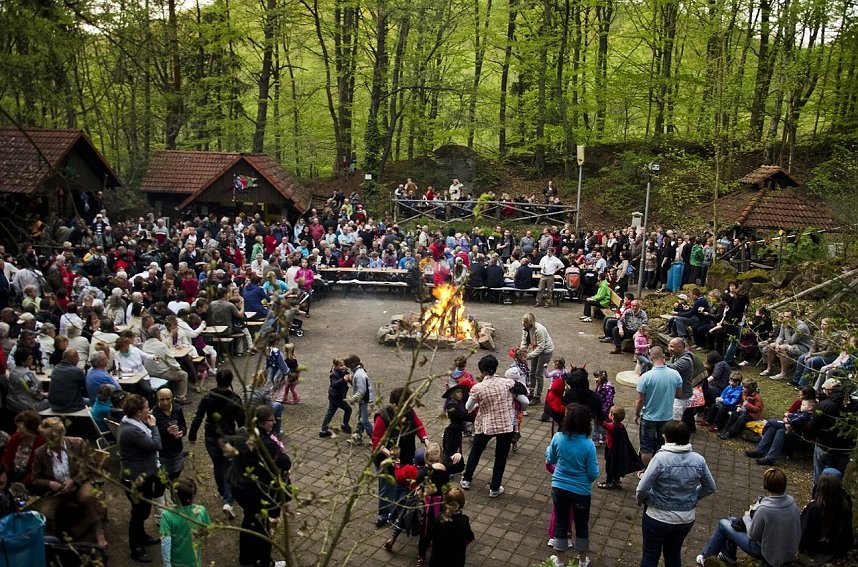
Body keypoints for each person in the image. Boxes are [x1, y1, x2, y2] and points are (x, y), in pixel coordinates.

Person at [636, 421, 715, 567]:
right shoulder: (698, 460)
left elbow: (641, 488)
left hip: (657, 516)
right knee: (673, 554)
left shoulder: (660, 459)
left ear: (666, 437)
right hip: (685, 519)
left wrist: (643, 500)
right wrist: (693, 497)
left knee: (650, 554)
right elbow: (710, 487)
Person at [696, 467, 800, 567]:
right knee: (733, 521)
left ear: (766, 485)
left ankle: (706, 557)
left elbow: (753, 535)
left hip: (768, 554)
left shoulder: (765, 509)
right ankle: (728, 556)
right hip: (787, 551)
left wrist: (747, 517)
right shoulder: (791, 502)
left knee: (723, 524)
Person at [30, 417, 108, 548]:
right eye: (47, 438)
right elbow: (35, 479)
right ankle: (53, 543)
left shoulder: (77, 443)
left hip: (80, 483)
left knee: (88, 497)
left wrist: (74, 481)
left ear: (62, 433)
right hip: (58, 491)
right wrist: (50, 483)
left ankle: (99, 533)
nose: (51, 442)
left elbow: (89, 467)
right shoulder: (40, 453)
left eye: (54, 438)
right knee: (45, 511)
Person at [230, 405, 292, 567]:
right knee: (263, 528)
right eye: (272, 420)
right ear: (263, 422)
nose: (274, 422)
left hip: (238, 485)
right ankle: (265, 562)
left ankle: (246, 558)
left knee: (250, 519)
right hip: (256, 492)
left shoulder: (241, 433)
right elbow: (285, 462)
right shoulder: (264, 443)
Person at [460, 354, 528, 498]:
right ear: (495, 367)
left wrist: (478, 404)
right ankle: (495, 487)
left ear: (481, 370)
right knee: (501, 457)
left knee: (476, 451)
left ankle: (466, 479)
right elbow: (525, 401)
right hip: (505, 425)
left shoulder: (478, 388)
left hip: (486, 425)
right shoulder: (508, 383)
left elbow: (468, 407)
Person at [544, 403, 599, 566]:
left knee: (561, 522)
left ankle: (560, 561)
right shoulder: (588, 444)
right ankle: (582, 560)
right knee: (582, 524)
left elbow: (551, 459)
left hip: (559, 487)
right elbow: (593, 473)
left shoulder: (558, 437)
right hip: (581, 491)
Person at [188, 368, 246, 520]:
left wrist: (192, 434)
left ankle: (222, 492)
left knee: (218, 466)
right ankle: (228, 500)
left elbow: (198, 417)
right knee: (228, 467)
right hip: (227, 437)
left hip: (211, 437)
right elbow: (242, 423)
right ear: (230, 381)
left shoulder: (208, 397)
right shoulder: (235, 399)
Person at [118, 394, 166, 563]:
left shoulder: (133, 422)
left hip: (144, 475)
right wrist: (153, 427)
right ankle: (135, 548)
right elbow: (156, 445)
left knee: (143, 511)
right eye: (146, 407)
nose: (150, 409)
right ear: (139, 412)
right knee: (138, 513)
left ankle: (142, 536)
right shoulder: (132, 430)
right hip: (135, 480)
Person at [371, 387, 429, 527]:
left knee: (402, 487)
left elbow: (418, 425)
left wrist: (425, 439)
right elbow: (376, 441)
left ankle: (397, 514)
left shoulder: (408, 411)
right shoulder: (383, 416)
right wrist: (389, 453)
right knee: (386, 488)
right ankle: (383, 515)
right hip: (386, 460)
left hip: (405, 457)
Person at [634, 347, 682, 471]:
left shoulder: (646, 377)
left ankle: (648, 471)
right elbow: (679, 395)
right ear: (663, 357)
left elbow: (640, 399)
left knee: (646, 447)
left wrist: (636, 414)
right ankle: (661, 469)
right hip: (667, 417)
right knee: (663, 445)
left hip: (649, 417)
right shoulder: (675, 374)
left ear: (651, 358)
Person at [744, 386, 816, 465]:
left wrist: (791, 424)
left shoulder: (810, 407)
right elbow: (788, 413)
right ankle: (760, 451)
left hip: (797, 432)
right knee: (773, 428)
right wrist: (787, 420)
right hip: (788, 424)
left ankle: (770, 457)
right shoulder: (799, 403)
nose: (799, 397)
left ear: (807, 396)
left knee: (779, 430)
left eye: (801, 395)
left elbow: (808, 424)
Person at [808, 377, 856, 483]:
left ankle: (817, 496)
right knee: (836, 479)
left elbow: (812, 425)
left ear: (829, 390)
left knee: (819, 477)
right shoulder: (853, 406)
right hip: (844, 450)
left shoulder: (824, 405)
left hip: (824, 446)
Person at [798, 469, 853, 561]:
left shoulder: (813, 509)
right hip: (835, 550)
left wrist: (800, 549)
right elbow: (848, 534)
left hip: (813, 549)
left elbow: (804, 532)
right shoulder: (845, 507)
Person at [160, 478, 212, 567]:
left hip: (176, 563)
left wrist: (167, 564)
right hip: (194, 561)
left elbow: (165, 543)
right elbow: (207, 531)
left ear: (173, 497)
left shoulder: (167, 516)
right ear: (193, 496)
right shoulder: (201, 510)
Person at [760, 308, 812, 380]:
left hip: (802, 348)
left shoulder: (801, 327)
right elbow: (780, 336)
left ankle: (783, 374)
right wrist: (777, 343)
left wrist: (786, 328)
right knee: (772, 346)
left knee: (782, 348)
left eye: (787, 317)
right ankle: (769, 369)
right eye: (784, 316)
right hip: (791, 345)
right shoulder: (784, 323)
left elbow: (791, 341)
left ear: (793, 317)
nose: (785, 318)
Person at [597, 406, 642, 489]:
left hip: (612, 450)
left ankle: (609, 482)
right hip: (618, 451)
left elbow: (602, 423)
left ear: (612, 416)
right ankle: (616, 481)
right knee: (616, 466)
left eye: (610, 413)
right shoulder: (621, 426)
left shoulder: (611, 427)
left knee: (610, 466)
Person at [429, 487, 474, 567]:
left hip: (438, 556)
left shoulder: (438, 517)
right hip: (455, 558)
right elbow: (469, 538)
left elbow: (432, 534)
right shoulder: (464, 521)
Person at [1, 410, 46, 486]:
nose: (17, 430)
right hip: (12, 477)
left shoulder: (41, 442)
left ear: (30, 429)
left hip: (31, 481)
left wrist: (20, 485)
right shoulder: (16, 437)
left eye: (19, 427)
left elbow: (36, 471)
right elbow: (6, 461)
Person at [520, 312, 554, 406]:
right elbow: (524, 340)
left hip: (545, 351)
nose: (523, 323)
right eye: (523, 321)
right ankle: (530, 392)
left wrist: (528, 356)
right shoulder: (525, 329)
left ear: (530, 322)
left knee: (538, 374)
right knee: (532, 372)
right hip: (536, 349)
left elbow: (541, 347)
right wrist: (521, 351)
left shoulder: (539, 330)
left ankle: (537, 396)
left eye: (525, 322)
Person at [7, 347, 49, 412]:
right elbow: (33, 391)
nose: (32, 360)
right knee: (51, 401)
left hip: (13, 401)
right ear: (22, 361)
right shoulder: (24, 374)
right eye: (29, 359)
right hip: (25, 404)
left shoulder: (13, 370)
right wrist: (45, 395)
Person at [346, 354, 375, 445]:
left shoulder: (359, 374)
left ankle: (375, 438)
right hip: (363, 400)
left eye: (349, 364)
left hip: (365, 400)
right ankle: (357, 438)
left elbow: (362, 390)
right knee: (361, 419)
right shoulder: (358, 372)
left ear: (353, 363)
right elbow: (359, 387)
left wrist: (353, 399)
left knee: (364, 420)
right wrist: (351, 381)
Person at [319, 358, 353, 438]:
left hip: (341, 398)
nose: (343, 367)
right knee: (330, 414)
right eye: (341, 365)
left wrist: (349, 377)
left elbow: (348, 378)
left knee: (348, 409)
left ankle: (345, 424)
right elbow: (334, 384)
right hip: (335, 399)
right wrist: (343, 379)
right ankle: (323, 431)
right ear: (336, 366)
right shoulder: (334, 374)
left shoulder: (344, 372)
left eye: (344, 365)